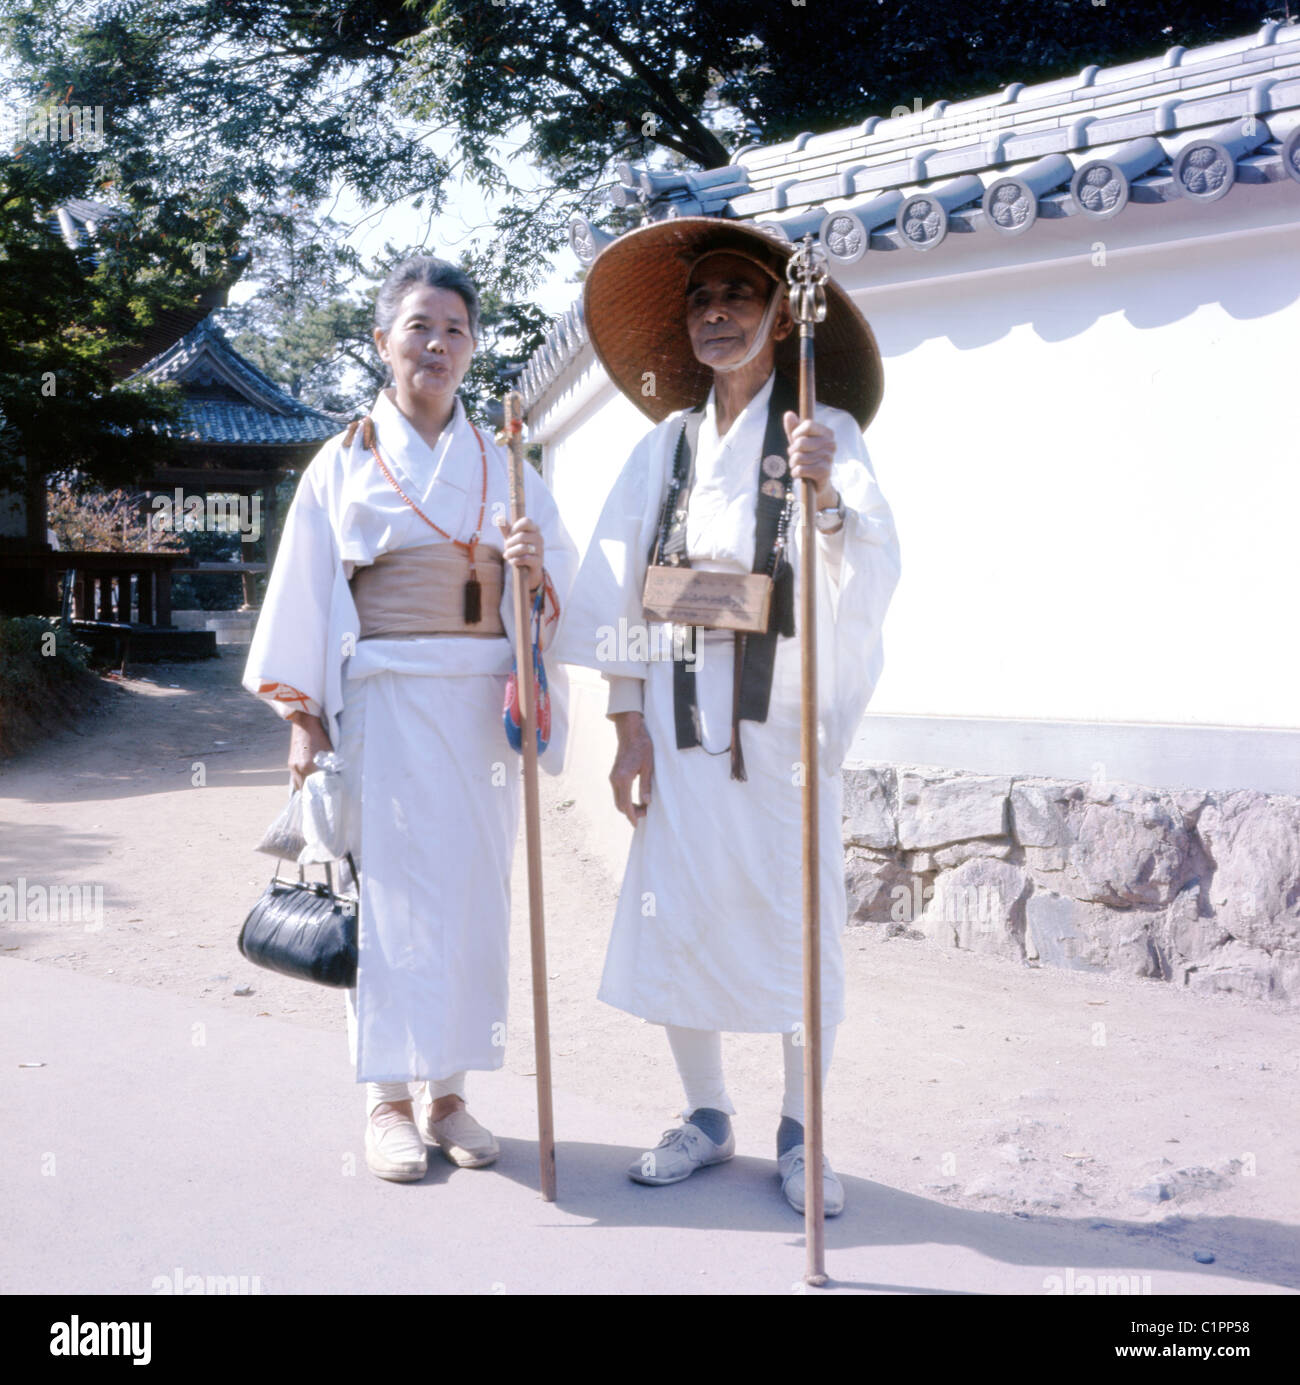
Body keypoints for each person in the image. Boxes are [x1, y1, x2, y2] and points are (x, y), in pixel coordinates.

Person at [556, 218, 900, 1215]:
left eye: (738, 295)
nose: (715, 312)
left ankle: (803, 1128)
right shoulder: (662, 450)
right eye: (700, 299)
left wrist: (826, 498)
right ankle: (705, 1113)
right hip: (676, 732)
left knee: (795, 923)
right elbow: (621, 593)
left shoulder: (822, 428)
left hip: (783, 739)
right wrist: (625, 728)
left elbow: (866, 567)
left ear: (780, 311)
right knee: (682, 915)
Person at [243, 255, 576, 1183]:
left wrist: (533, 570)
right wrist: (305, 721)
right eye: (419, 327)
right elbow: (306, 590)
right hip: (382, 694)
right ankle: (386, 1099)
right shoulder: (345, 459)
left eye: (455, 329)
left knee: (475, 894)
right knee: (386, 897)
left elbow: (557, 596)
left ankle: (451, 1094)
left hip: (478, 704)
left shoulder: (504, 459)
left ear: (472, 347)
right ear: (383, 341)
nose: (437, 344)